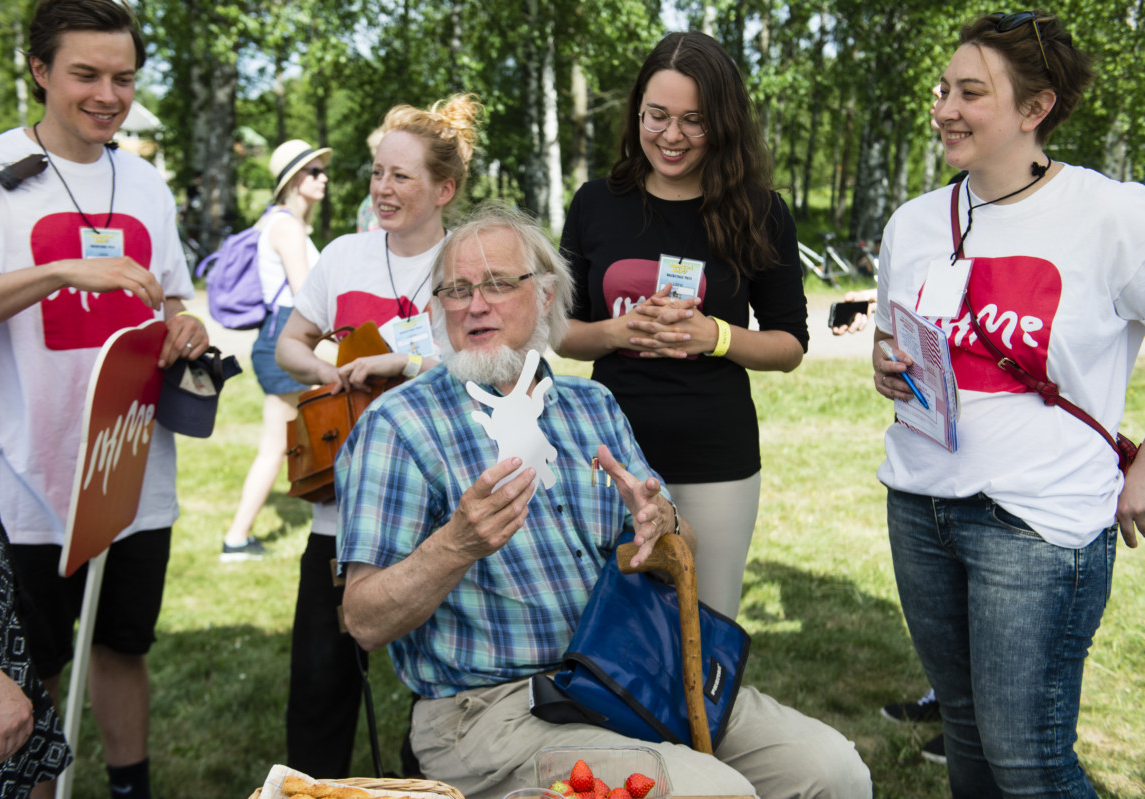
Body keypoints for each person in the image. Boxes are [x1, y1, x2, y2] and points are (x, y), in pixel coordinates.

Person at [336, 206, 871, 799]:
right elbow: (362, 620)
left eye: (496, 284)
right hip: (492, 711)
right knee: (714, 793)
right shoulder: (399, 426)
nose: (474, 305)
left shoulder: (591, 405)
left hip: (632, 670)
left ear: (544, 299)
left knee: (833, 771)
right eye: (456, 290)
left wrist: (661, 525)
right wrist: (454, 546)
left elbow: (679, 544)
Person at [872, 11, 1145, 796]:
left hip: (1038, 524)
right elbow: (894, 342)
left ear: (1035, 109)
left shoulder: (1109, 215)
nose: (944, 107)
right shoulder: (915, 221)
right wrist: (885, 366)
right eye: (942, 89)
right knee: (965, 731)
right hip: (921, 507)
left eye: (970, 92)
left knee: (1028, 757)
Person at [0, 2, 207, 797]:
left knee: (123, 642)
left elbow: (171, 298)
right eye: (85, 75)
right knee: (31, 661)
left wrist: (183, 326)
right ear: (38, 71)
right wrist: (61, 273)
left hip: (127, 470)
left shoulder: (146, 180)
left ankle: (130, 786)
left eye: (123, 77)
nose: (108, 94)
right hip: (17, 471)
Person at [556, 31, 808, 619]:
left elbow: (789, 345)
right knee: (606, 633)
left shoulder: (761, 211)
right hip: (609, 455)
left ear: (723, 123)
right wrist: (615, 334)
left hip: (714, 460)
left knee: (706, 627)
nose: (671, 136)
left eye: (694, 120)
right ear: (636, 112)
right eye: (658, 116)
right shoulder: (595, 203)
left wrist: (714, 336)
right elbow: (557, 331)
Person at [274, 93, 483, 778]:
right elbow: (289, 345)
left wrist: (406, 362)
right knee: (320, 684)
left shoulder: (472, 263)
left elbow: (492, 364)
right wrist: (327, 371)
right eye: (376, 173)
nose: (381, 189)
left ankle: (430, 787)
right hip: (344, 505)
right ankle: (316, 791)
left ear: (444, 188)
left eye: (401, 176)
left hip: (441, 510)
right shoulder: (343, 255)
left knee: (446, 685)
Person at [220, 138, 331, 561]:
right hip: (286, 337)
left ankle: (240, 535)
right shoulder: (285, 226)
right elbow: (307, 294)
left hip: (281, 335)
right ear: (293, 180)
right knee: (278, 445)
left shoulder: (288, 224)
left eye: (323, 170)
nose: (323, 177)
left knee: (294, 440)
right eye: (314, 171)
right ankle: (235, 539)